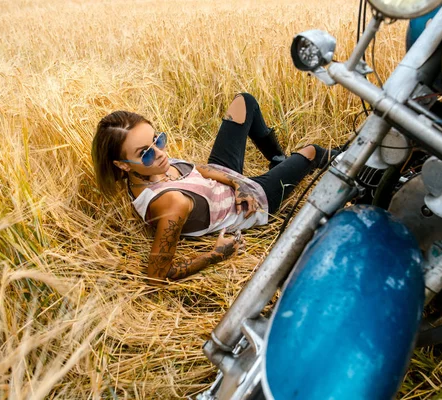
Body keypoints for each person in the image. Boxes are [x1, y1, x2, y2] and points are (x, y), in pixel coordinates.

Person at [91, 93, 337, 281]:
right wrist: (215, 255)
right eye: (145, 153)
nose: (160, 153)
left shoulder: (148, 169)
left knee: (244, 102)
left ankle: (277, 159)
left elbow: (197, 169)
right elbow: (157, 274)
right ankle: (365, 164)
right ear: (122, 165)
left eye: (158, 140)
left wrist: (237, 183)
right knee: (312, 152)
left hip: (231, 183)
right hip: (257, 201)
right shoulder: (172, 203)